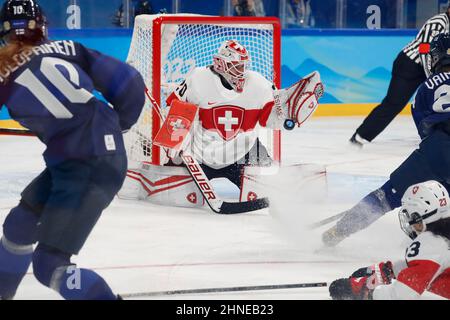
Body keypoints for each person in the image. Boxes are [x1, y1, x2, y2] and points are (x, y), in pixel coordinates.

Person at [0, 0, 145, 300]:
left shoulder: (2, 70)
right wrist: (113, 129)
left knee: (49, 265)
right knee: (20, 224)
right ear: (41, 26)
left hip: (84, 166)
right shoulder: (70, 48)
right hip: (81, 160)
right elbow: (129, 82)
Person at [122, 39, 323, 208]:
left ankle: (297, 183)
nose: (242, 72)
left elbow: (269, 120)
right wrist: (175, 139)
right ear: (220, 64)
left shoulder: (259, 83)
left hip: (243, 153)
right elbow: (175, 108)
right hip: (201, 154)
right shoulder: (198, 78)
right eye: (236, 66)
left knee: (273, 181)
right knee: (173, 193)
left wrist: (287, 114)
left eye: (243, 66)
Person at [322, 33, 450, 247]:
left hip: (438, 149)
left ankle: (338, 232)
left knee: (386, 197)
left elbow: (424, 129)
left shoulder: (426, 88)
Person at [329, 180, 450, 300]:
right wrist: (388, 271)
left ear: (417, 217)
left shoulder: (431, 243)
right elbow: (423, 267)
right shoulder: (441, 240)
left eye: (409, 215)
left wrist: (365, 292)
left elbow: (401, 295)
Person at [349, 3, 450, 147]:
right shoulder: (438, 21)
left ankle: (436, 135)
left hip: (428, 68)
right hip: (410, 65)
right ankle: (360, 136)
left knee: (436, 101)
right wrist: (432, 77)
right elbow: (424, 49)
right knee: (393, 103)